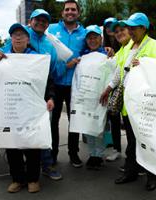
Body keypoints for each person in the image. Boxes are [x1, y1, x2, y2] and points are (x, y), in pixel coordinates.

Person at [0, 23, 55, 193]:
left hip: (31, 110)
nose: (18, 37)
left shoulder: (37, 59)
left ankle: (32, 179)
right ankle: (17, 179)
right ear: (10, 38)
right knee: (12, 144)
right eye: (14, 34)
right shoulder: (1, 59)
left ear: (27, 39)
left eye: (21, 35)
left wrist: (50, 97)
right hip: (10, 108)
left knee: (32, 144)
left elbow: (47, 81)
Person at [0, 9, 62, 180]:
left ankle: (46, 166)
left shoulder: (50, 45)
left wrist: (50, 96)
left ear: (47, 24)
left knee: (42, 132)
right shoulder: (15, 40)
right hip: (15, 99)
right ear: (30, 21)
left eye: (44, 20)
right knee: (16, 135)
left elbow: (50, 74)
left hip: (37, 99)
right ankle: (21, 173)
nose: (41, 23)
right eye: (37, 20)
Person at [100, 13, 156, 191]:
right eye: (129, 28)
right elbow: (119, 71)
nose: (130, 31)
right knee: (132, 140)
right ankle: (131, 171)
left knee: (147, 140)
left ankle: (151, 175)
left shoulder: (155, 45)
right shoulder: (128, 47)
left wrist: (146, 65)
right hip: (129, 103)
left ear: (144, 28)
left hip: (145, 103)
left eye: (134, 28)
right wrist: (108, 89)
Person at [48, 0, 86, 167]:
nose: (70, 12)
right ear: (62, 13)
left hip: (75, 85)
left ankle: (73, 153)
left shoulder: (84, 33)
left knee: (75, 121)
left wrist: (106, 50)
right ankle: (52, 153)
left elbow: (93, 50)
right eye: (67, 9)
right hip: (55, 83)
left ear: (78, 13)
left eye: (73, 10)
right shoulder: (51, 30)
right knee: (53, 121)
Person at [77, 25, 108, 170]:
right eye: (89, 38)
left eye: (95, 37)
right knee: (88, 126)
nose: (92, 40)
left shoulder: (107, 55)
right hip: (86, 96)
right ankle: (92, 154)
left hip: (101, 96)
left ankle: (99, 155)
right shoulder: (82, 56)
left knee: (99, 126)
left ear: (101, 38)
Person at [101, 20, 131, 162]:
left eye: (121, 30)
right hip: (116, 91)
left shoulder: (132, 46)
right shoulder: (111, 47)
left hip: (129, 94)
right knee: (114, 120)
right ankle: (118, 150)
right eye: (114, 30)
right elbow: (117, 72)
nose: (118, 33)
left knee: (133, 129)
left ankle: (137, 162)